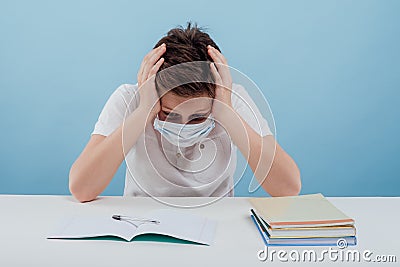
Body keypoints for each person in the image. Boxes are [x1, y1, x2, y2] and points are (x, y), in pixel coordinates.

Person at [69, 23, 301, 202]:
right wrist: (143, 112)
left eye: (198, 118)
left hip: (218, 224)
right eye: (169, 114)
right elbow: (81, 188)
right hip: (142, 223)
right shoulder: (130, 98)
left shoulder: (228, 97)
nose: (183, 128)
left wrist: (226, 113)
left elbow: (288, 188)